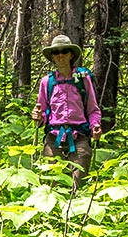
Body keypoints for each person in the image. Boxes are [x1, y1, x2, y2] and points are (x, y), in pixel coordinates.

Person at [30, 34, 102, 186]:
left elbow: (93, 109)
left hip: (80, 138)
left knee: (77, 185)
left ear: (71, 55)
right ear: (52, 57)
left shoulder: (83, 79)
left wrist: (95, 126)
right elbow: (42, 113)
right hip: (53, 138)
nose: (60, 55)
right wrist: (37, 116)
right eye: (56, 52)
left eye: (64, 51)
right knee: (52, 185)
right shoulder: (47, 82)